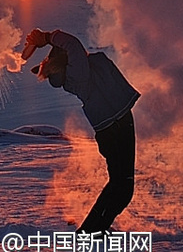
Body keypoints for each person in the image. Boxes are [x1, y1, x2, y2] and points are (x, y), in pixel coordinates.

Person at [24, 28, 140, 234]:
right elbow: (74, 45)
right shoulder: (77, 73)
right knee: (122, 188)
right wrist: (48, 38)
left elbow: (73, 48)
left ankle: (93, 229)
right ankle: (91, 232)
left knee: (120, 186)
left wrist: (49, 42)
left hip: (114, 125)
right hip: (115, 126)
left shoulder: (78, 72)